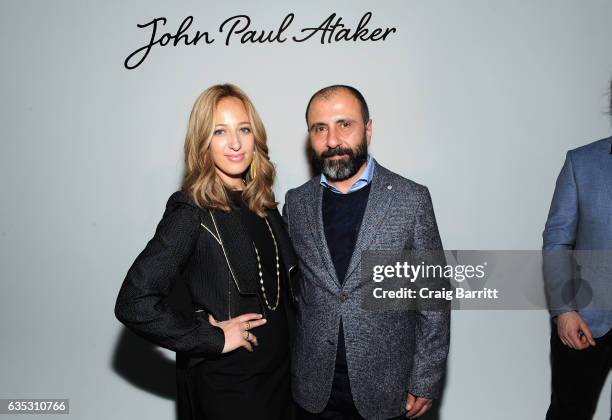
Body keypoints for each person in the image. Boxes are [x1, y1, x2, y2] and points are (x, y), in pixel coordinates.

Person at [114, 83, 299, 420]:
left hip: (281, 386)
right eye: (219, 131)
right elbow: (134, 301)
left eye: (244, 129)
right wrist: (210, 338)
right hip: (231, 390)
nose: (235, 142)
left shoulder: (265, 205)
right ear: (203, 142)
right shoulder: (191, 210)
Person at [283, 85, 450, 419]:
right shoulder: (295, 203)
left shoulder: (410, 199)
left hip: (387, 391)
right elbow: (292, 294)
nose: (332, 141)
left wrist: (426, 379)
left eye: (345, 124)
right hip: (313, 392)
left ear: (367, 129)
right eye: (320, 128)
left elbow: (433, 298)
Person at [542, 80, 612, 420]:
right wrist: (564, 310)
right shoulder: (581, 162)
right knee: (568, 413)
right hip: (586, 318)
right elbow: (557, 240)